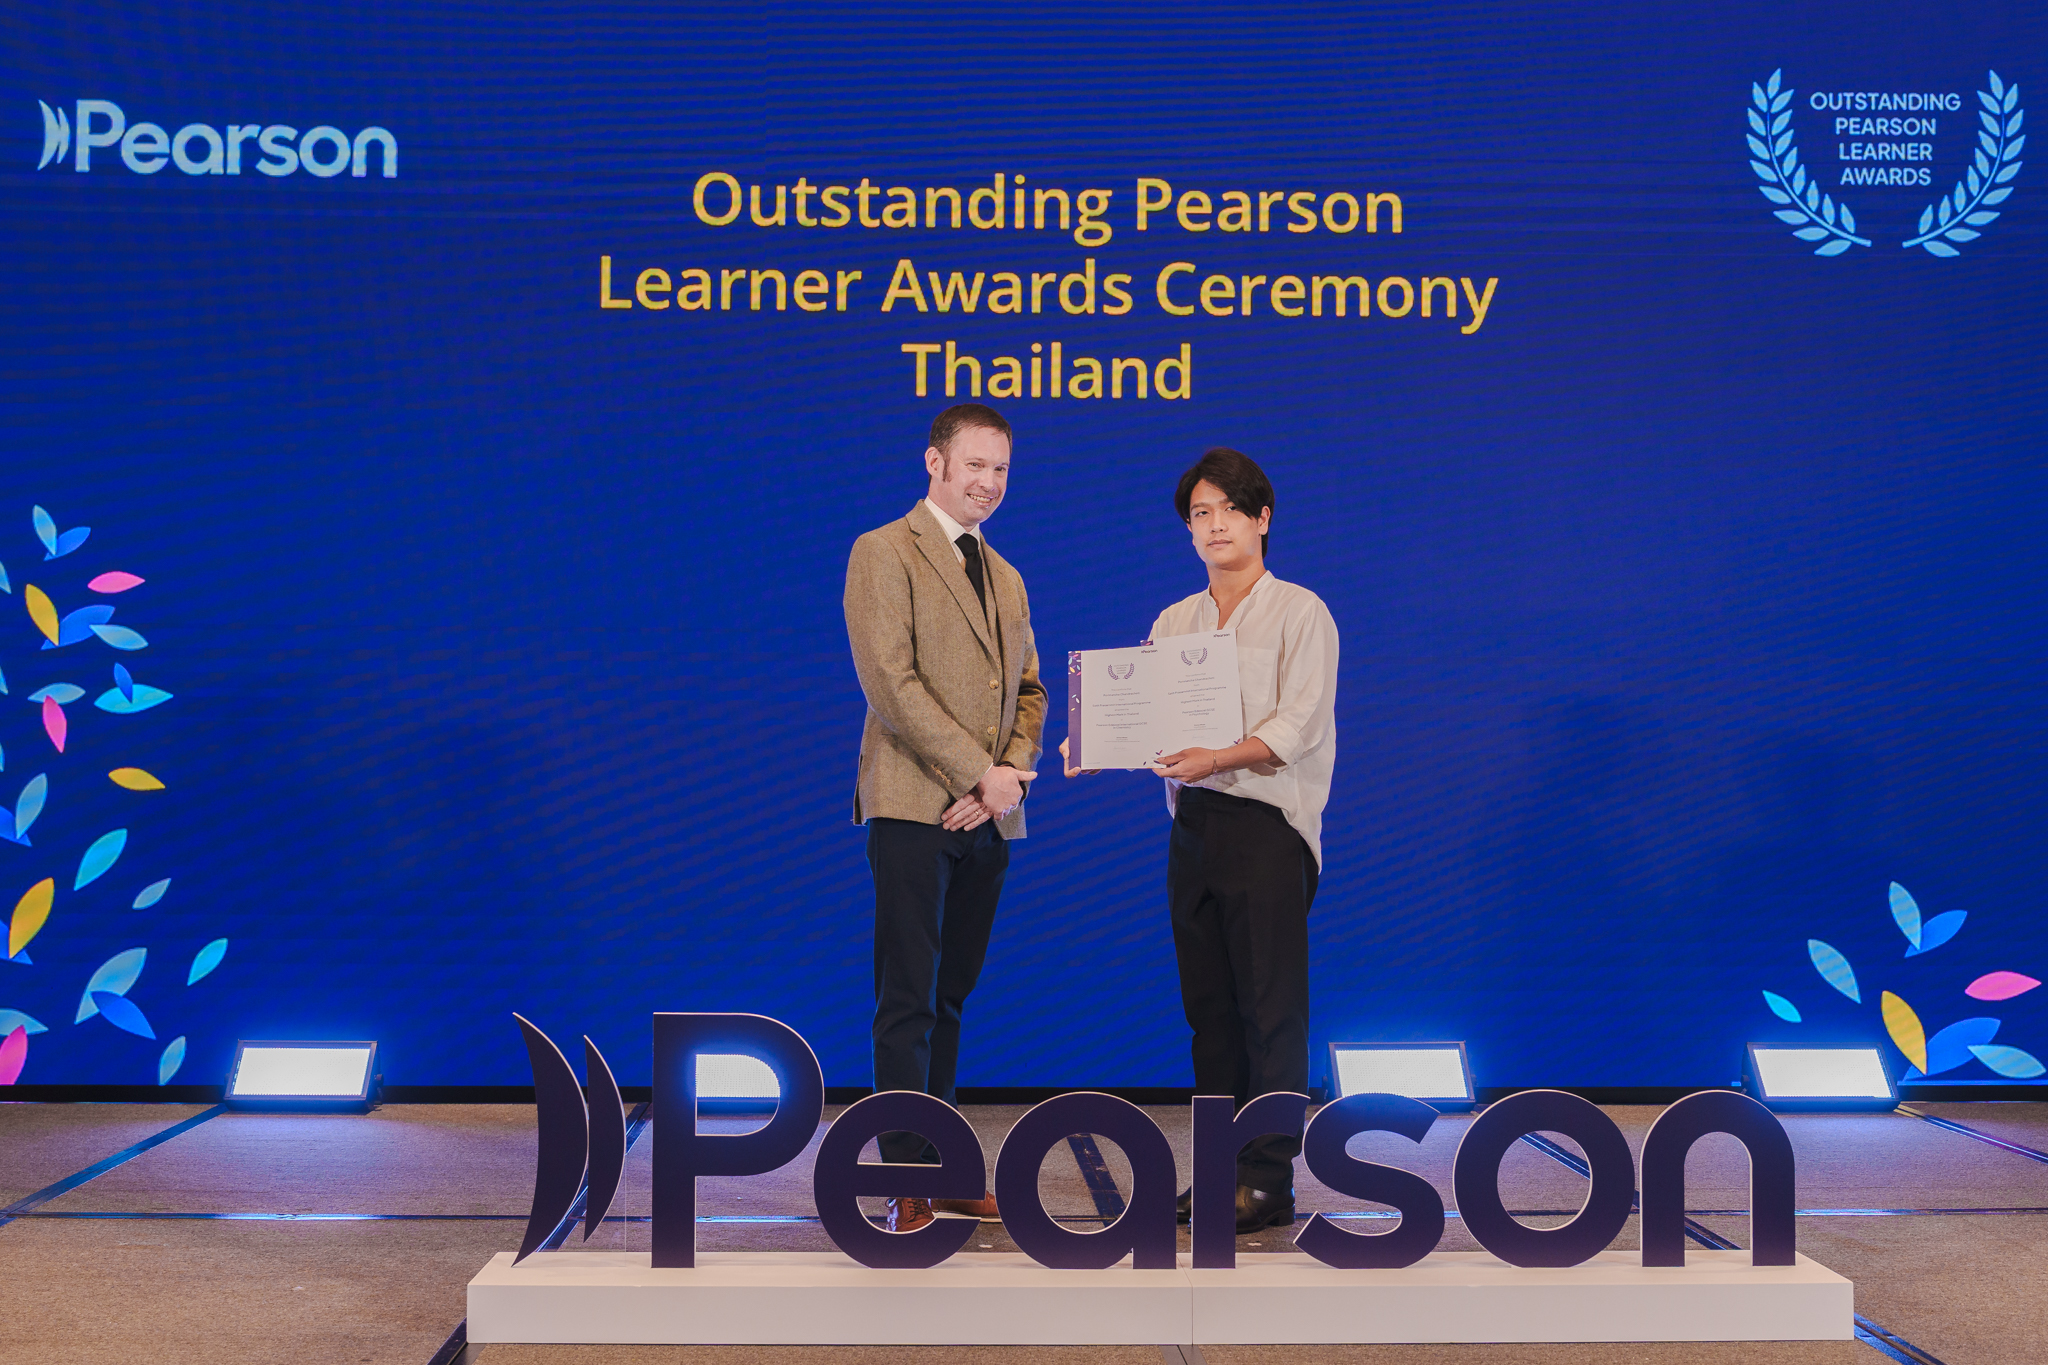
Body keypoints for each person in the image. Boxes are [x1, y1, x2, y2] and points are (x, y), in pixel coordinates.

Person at [1064, 447, 1338, 1234]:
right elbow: (1148, 718)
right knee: (1209, 1011)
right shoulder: (1175, 620)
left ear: (1263, 519)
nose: (1216, 525)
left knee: (1270, 1011)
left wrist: (1217, 757)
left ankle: (1269, 1178)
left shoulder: (1300, 612)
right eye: (1200, 514)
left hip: (1267, 828)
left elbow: (1297, 725)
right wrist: (1099, 744)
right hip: (1194, 827)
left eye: (1231, 510)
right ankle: (1221, 1170)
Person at [844, 402, 1044, 1233]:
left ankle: (948, 1163)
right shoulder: (884, 550)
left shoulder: (1006, 574)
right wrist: (978, 771)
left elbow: (1029, 690)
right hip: (912, 808)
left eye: (1001, 468)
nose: (989, 482)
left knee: (952, 996)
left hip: (989, 817)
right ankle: (906, 1176)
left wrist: (1008, 780)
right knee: (908, 1001)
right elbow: (890, 683)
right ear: (935, 463)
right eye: (975, 465)